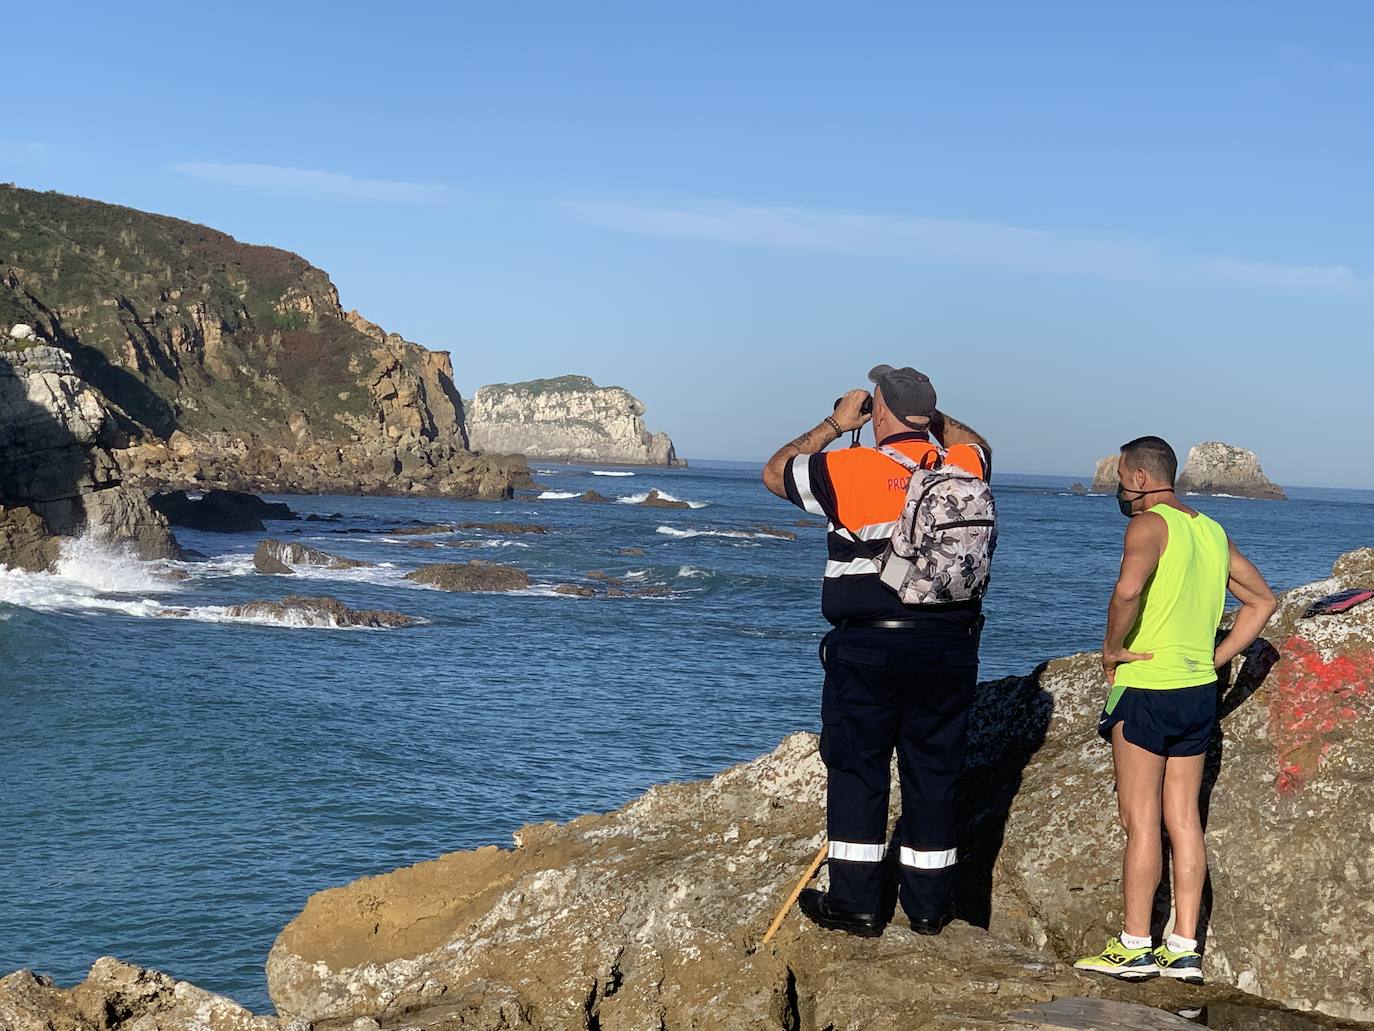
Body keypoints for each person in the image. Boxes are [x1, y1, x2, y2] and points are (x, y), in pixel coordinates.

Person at [762, 364, 992, 936]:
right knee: (934, 772)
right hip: (950, 643)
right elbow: (979, 443)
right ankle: (928, 908)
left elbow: (775, 472)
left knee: (858, 768)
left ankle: (858, 904)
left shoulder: (850, 465)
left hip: (870, 644)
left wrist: (837, 422)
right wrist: (926, 418)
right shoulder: (962, 466)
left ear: (880, 411)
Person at [1075, 435, 1276, 983]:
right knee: (1184, 820)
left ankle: (1135, 945)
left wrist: (1112, 649)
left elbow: (1126, 591)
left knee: (1140, 823)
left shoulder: (1146, 525)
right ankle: (1184, 948)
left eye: (1121, 477)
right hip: (1195, 692)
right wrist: (1215, 659)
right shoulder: (1211, 531)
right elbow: (1263, 600)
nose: (1120, 487)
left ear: (1139, 478)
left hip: (1147, 687)